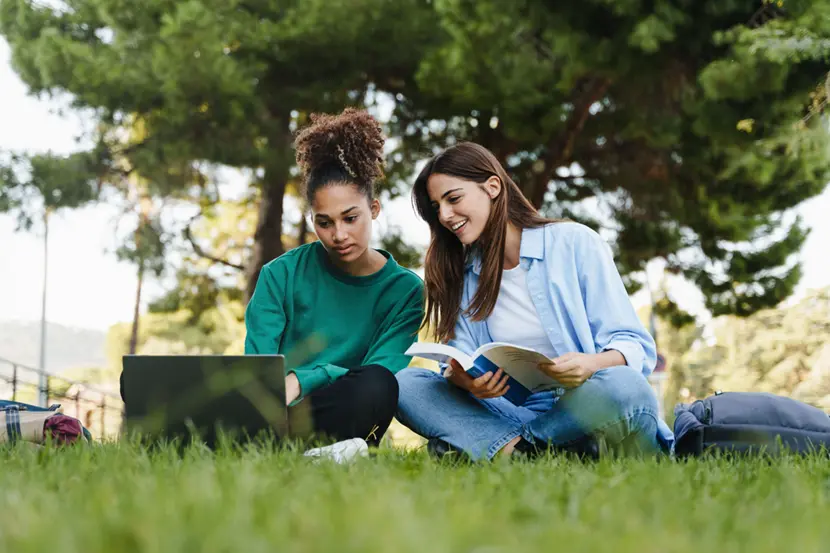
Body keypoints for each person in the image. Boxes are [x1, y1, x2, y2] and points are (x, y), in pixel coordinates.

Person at [395, 142, 674, 461]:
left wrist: (591, 364)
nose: (444, 215)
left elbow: (636, 345)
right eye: (436, 207)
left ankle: (510, 450)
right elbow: (457, 359)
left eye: (453, 198)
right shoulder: (463, 275)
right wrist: (463, 380)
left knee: (627, 387)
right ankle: (547, 451)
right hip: (510, 410)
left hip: (585, 404)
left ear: (493, 187)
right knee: (406, 384)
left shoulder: (574, 243)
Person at [245, 108, 424, 456]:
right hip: (276, 412)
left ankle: (307, 452)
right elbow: (259, 369)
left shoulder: (405, 291)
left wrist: (305, 378)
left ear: (373, 209)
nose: (339, 235)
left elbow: (381, 370)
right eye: (324, 222)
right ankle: (301, 453)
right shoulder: (279, 275)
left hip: (343, 409)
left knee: (378, 385)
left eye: (350, 218)